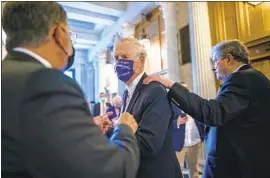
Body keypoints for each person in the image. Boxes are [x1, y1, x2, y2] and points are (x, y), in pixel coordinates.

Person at [2, 2, 140, 178]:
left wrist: (84, 129)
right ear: (59, 34)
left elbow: (38, 140)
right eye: (70, 34)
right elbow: (110, 170)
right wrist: (124, 129)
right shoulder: (48, 83)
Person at [143, 39, 270, 178]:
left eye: (215, 61)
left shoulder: (242, 79)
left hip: (238, 166)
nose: (213, 67)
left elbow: (213, 113)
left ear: (228, 59)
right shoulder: (251, 77)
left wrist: (170, 85)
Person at [114, 37, 182, 178]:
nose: (118, 62)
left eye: (124, 57)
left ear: (141, 61)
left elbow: (149, 143)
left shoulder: (154, 90)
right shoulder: (127, 93)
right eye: (116, 57)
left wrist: (120, 133)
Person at [175, 82, 205, 178]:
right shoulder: (172, 104)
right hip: (179, 144)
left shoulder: (194, 104)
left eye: (186, 90)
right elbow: (165, 121)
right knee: (177, 170)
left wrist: (202, 136)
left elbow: (202, 119)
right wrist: (177, 122)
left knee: (194, 169)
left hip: (194, 143)